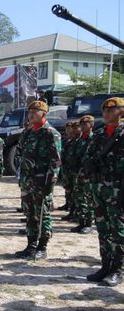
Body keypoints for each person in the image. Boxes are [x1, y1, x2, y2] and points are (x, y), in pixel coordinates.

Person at [83, 97, 124, 286]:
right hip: (99, 188)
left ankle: (118, 269)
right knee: (103, 229)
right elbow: (88, 158)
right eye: (105, 110)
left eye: (112, 109)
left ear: (121, 112)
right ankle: (105, 265)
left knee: (119, 231)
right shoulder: (99, 135)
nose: (107, 113)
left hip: (118, 190)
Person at [14, 101, 61, 260]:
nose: (32, 114)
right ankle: (31, 245)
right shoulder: (28, 132)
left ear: (44, 113)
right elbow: (20, 153)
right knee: (30, 213)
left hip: (42, 181)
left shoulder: (50, 133)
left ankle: (42, 246)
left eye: (36, 111)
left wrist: (51, 182)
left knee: (43, 214)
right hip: (27, 180)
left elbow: (56, 161)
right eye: (30, 111)